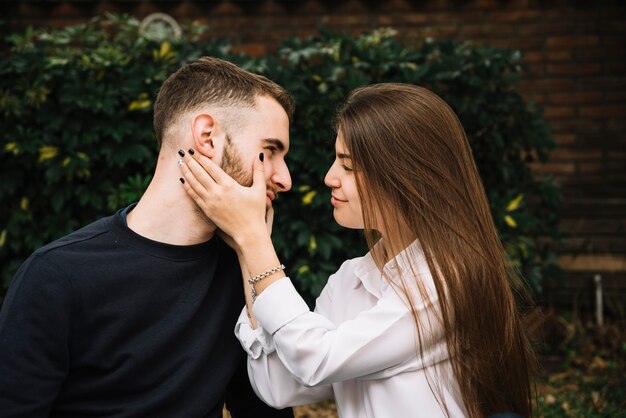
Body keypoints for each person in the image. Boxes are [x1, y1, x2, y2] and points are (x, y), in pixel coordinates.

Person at [178, 83, 537, 418]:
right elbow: (278, 386)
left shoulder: (444, 281)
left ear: (405, 176)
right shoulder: (351, 279)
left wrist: (254, 238)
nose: (330, 177)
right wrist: (247, 249)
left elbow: (317, 358)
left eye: (348, 165)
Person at [0, 57, 295, 418]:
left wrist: (255, 255)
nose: (284, 179)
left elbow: (267, 408)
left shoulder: (247, 271)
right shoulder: (57, 276)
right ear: (207, 137)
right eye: (271, 150)